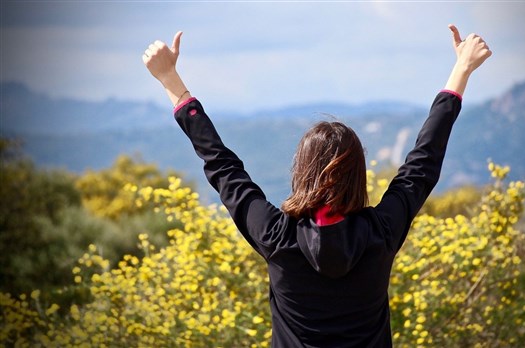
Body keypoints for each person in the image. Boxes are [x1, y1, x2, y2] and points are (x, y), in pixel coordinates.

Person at [143, 24, 491, 347]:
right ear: (358, 174)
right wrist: (461, 70)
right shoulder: (380, 231)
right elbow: (423, 163)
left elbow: (222, 166)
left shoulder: (275, 235)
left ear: (302, 170)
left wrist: (170, 79)